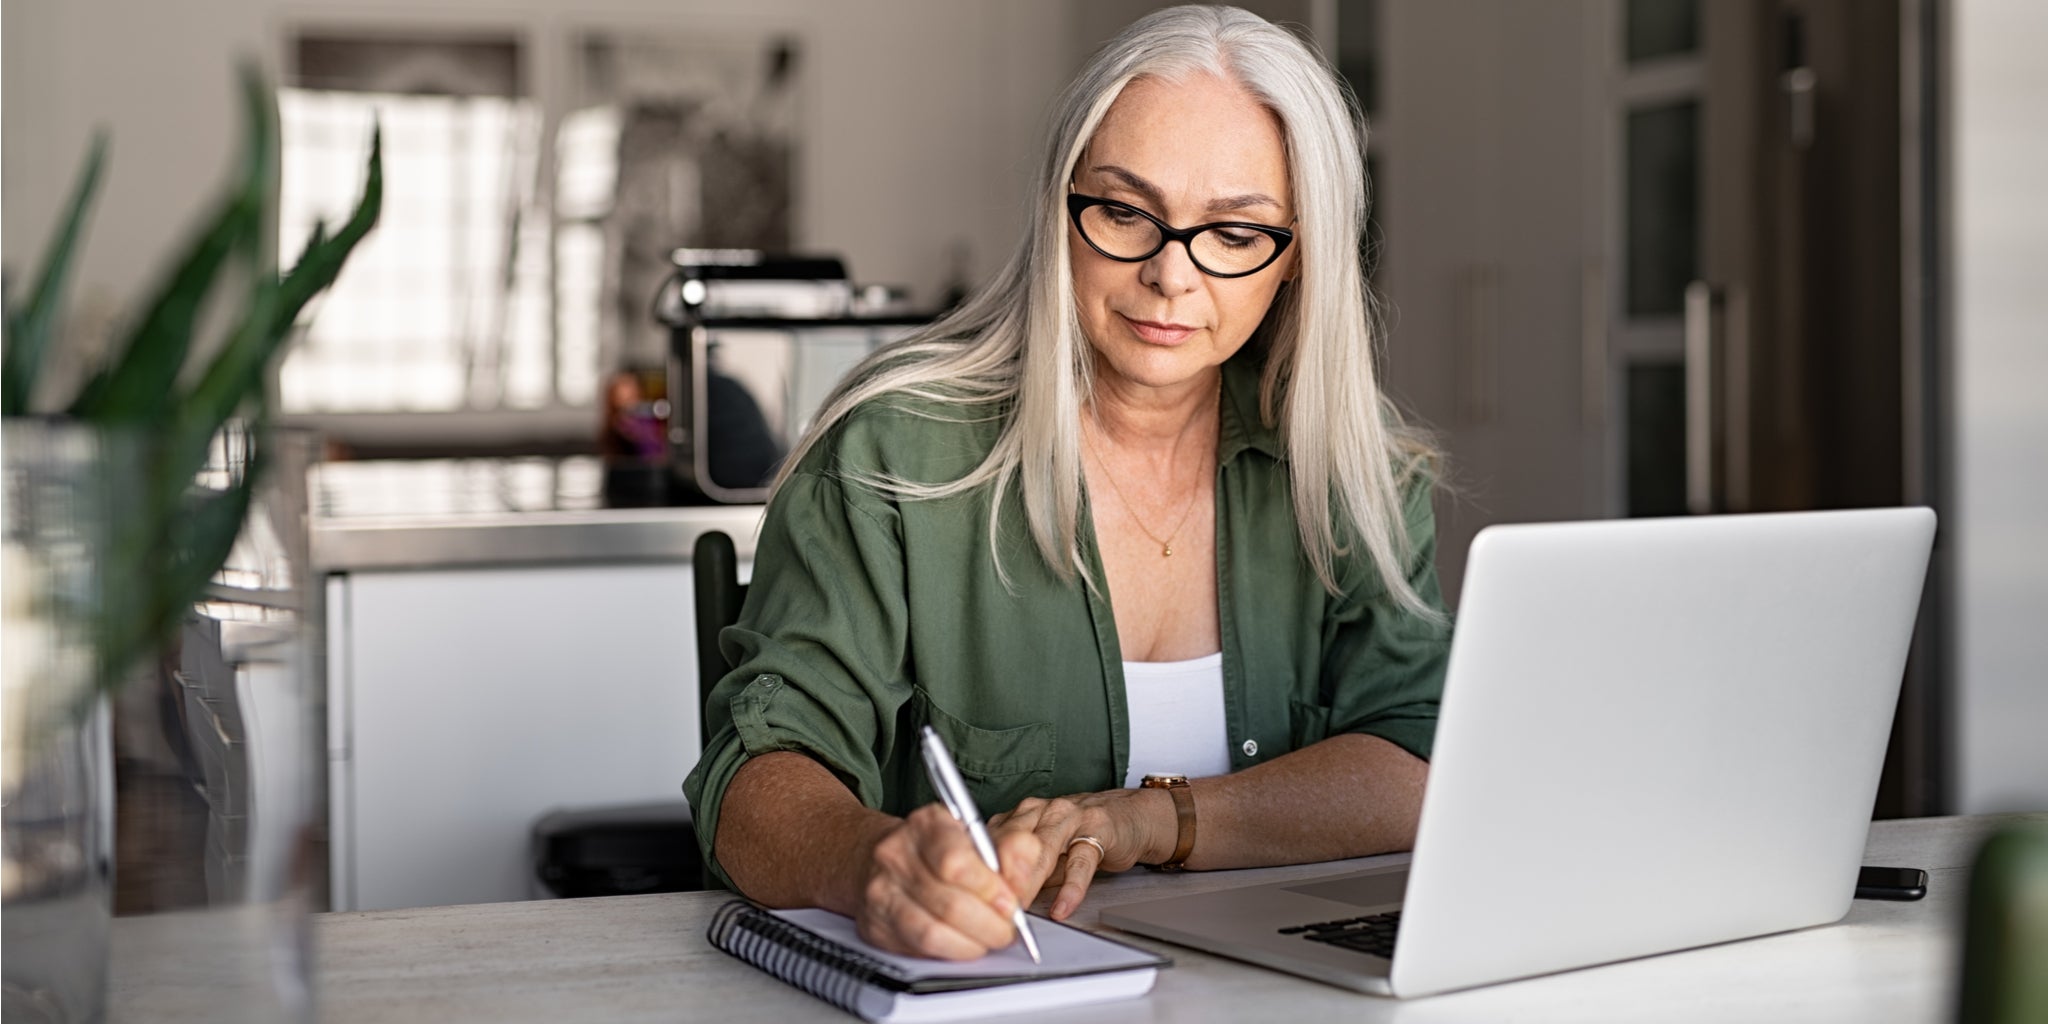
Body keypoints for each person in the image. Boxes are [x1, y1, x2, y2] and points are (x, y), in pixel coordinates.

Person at [682, 4, 1450, 961]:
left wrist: (1145, 821)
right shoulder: (892, 450)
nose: (1172, 275)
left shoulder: (1354, 466)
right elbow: (755, 776)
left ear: (1297, 259)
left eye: (1235, 231)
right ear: (1060, 208)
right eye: (1126, 212)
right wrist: (869, 863)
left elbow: (1417, 762)